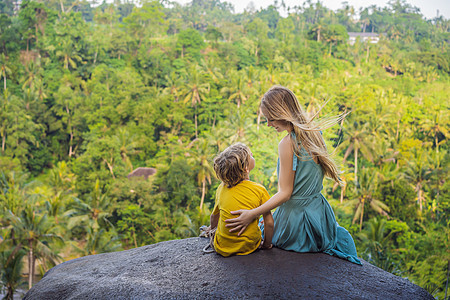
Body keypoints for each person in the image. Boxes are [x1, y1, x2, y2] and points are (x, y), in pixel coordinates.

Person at [225, 85, 361, 265]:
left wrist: (252, 213)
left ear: (283, 114)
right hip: (320, 218)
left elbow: (285, 194)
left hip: (298, 224)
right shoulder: (315, 133)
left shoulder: (287, 143)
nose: (268, 124)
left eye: (271, 119)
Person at [208, 143, 274, 257]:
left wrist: (212, 230)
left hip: (222, 248)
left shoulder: (221, 188)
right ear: (246, 168)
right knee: (261, 224)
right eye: (251, 156)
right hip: (250, 246)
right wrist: (267, 245)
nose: (253, 155)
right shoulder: (259, 190)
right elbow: (269, 223)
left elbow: (214, 217)